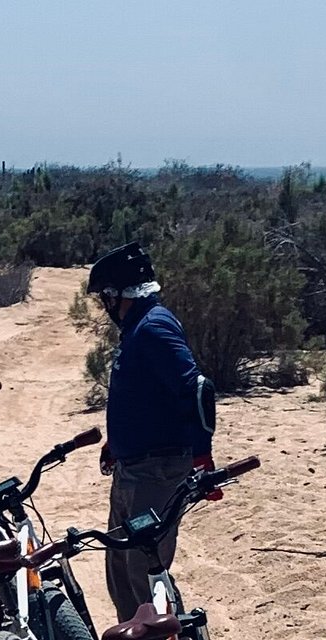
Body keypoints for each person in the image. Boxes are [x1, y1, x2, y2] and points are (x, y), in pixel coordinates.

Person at [87, 241, 216, 620]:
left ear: (116, 294)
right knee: (120, 570)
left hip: (156, 471)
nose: (104, 306)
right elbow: (147, 394)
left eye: (105, 297)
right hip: (132, 468)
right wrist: (119, 441)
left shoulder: (154, 325)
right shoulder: (138, 327)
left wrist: (201, 452)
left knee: (144, 571)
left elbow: (197, 389)